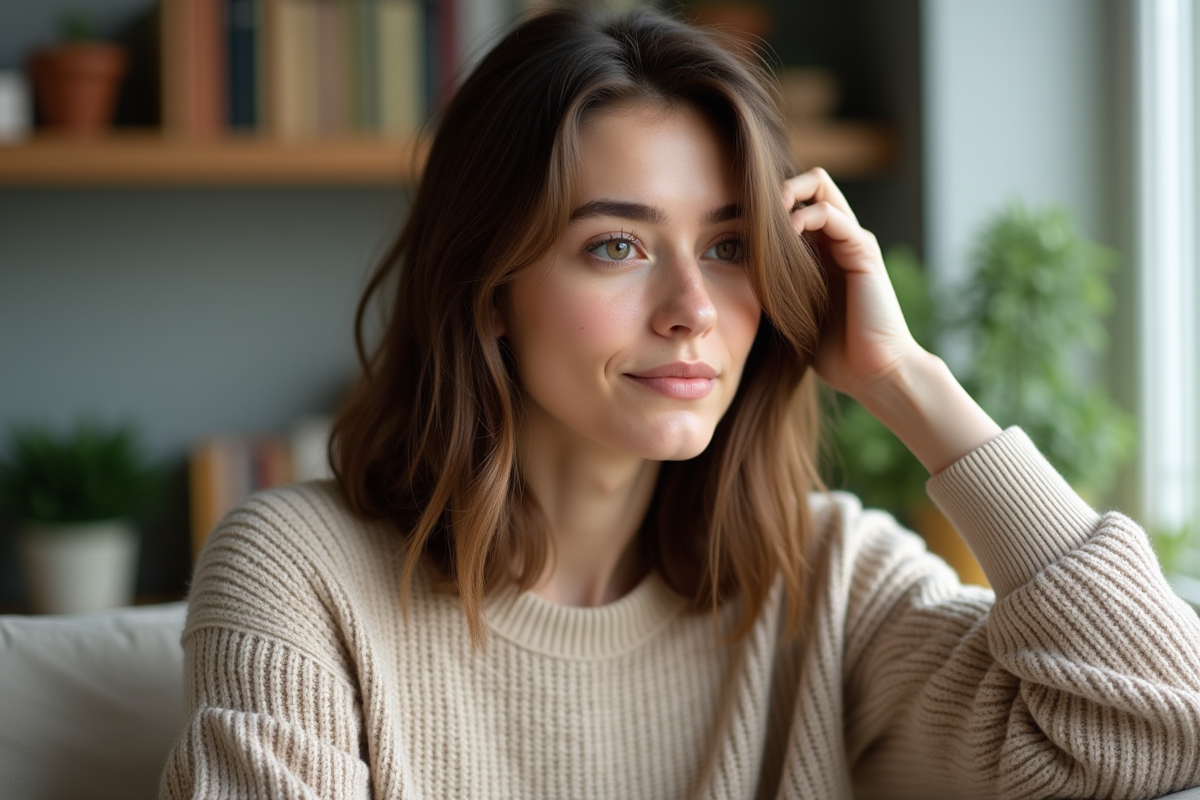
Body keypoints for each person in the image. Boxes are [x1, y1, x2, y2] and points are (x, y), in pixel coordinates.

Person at [160, 6, 1200, 799]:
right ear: (488, 294)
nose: (693, 309)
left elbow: (1160, 721)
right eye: (616, 245)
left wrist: (908, 381)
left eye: (731, 246)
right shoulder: (300, 570)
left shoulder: (829, 578)